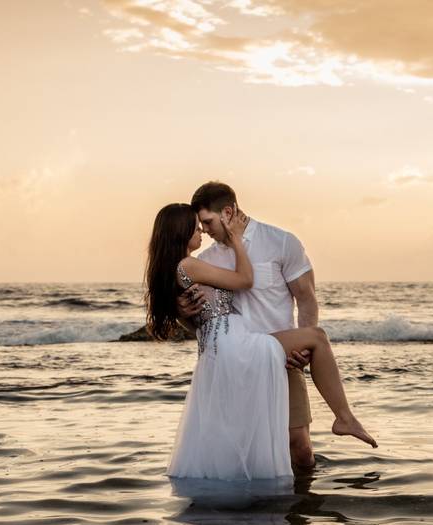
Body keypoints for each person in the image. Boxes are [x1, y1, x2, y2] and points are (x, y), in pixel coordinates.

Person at [145, 203, 375, 482]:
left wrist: (183, 311)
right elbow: (245, 279)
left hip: (225, 347)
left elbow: (195, 317)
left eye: (203, 224)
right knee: (318, 337)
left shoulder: (179, 268)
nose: (201, 232)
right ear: (181, 232)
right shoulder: (190, 264)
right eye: (196, 227)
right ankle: (344, 417)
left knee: (280, 440)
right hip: (234, 345)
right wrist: (237, 241)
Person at [179, 182, 318, 471]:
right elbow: (206, 320)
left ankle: (300, 512)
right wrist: (182, 313)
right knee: (242, 450)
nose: (203, 231)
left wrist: (303, 349)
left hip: (283, 359)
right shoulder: (205, 260)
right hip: (234, 366)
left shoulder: (281, 242)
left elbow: (306, 299)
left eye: (208, 222)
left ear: (228, 212)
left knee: (299, 447)